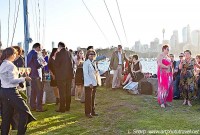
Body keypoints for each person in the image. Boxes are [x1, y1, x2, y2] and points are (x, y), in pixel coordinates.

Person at [0, 47, 35, 135]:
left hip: (4, 91)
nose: (16, 56)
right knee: (25, 112)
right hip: (11, 92)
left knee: (6, 116)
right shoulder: (10, 65)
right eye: (15, 54)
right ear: (11, 55)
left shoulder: (3, 64)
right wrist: (24, 78)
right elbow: (11, 81)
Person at [54, 42, 74, 113]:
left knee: (62, 92)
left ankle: (62, 108)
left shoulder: (58, 54)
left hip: (61, 76)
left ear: (59, 47)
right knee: (68, 92)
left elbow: (56, 65)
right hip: (69, 76)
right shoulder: (69, 53)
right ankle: (68, 107)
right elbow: (72, 64)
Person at [27, 43, 46, 112]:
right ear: (38, 47)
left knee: (33, 91)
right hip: (37, 74)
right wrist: (42, 64)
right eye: (40, 47)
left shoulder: (29, 54)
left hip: (31, 74)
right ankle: (39, 107)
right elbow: (37, 64)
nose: (41, 49)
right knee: (39, 91)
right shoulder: (36, 53)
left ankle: (33, 106)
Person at [83, 49, 101, 118]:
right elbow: (86, 74)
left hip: (94, 82)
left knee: (93, 98)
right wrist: (90, 83)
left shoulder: (93, 62)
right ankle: (88, 112)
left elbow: (95, 71)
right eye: (90, 54)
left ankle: (92, 111)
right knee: (88, 98)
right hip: (89, 83)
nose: (92, 56)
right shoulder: (86, 63)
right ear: (88, 55)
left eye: (93, 54)